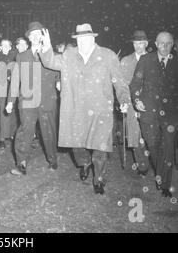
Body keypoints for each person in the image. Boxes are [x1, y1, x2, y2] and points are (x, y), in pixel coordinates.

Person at [39, 23, 130, 195]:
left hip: (100, 109)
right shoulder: (68, 55)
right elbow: (50, 61)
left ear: (93, 38)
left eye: (85, 38)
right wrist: (46, 46)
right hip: (76, 110)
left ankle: (99, 179)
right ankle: (84, 163)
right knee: (77, 145)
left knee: (100, 147)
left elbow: (119, 81)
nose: (82, 42)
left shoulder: (108, 55)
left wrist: (124, 99)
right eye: (79, 39)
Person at [6, 22, 59, 175]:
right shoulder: (21, 56)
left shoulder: (51, 54)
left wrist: (59, 81)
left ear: (43, 37)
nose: (35, 37)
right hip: (27, 100)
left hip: (47, 100)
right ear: (28, 38)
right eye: (32, 34)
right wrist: (10, 101)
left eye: (38, 34)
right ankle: (21, 162)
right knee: (25, 130)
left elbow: (59, 73)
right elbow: (16, 79)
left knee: (48, 131)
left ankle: (52, 159)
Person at [130, 31, 178, 198]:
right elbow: (135, 84)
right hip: (148, 113)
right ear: (156, 44)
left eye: (169, 44)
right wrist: (137, 100)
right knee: (153, 146)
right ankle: (160, 173)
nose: (165, 47)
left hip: (171, 115)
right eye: (161, 43)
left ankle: (165, 183)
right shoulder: (146, 60)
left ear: (173, 45)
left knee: (169, 149)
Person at [120, 30, 150, 175]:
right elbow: (122, 84)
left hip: (151, 105)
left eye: (141, 43)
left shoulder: (154, 59)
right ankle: (143, 165)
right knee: (135, 136)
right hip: (132, 105)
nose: (138, 46)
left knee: (151, 136)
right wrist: (124, 102)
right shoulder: (125, 61)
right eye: (135, 43)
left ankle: (155, 161)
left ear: (147, 43)